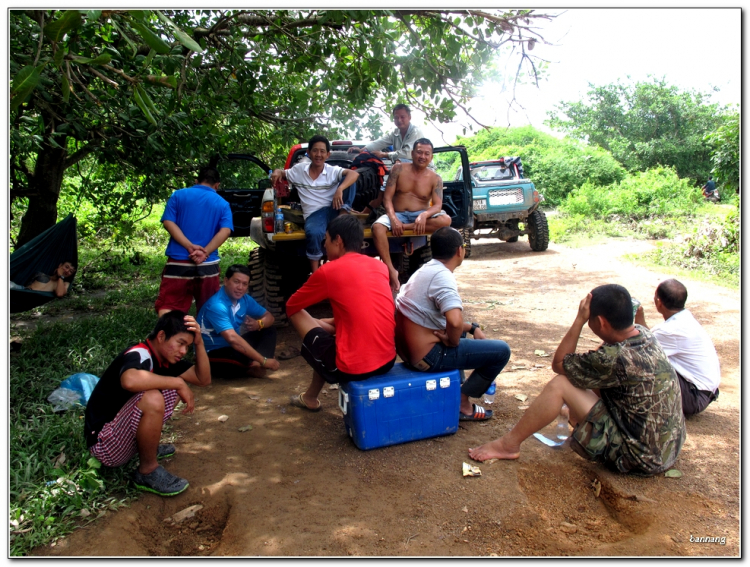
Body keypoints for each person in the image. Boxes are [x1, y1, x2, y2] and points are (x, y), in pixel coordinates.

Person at [468, 284, 686, 477]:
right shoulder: (644, 334)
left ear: (600, 322)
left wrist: (579, 320)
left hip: (640, 457)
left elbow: (560, 364)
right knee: (582, 384)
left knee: (560, 384)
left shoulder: (615, 358)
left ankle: (509, 444)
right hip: (668, 448)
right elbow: (597, 366)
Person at [84, 311, 211, 496]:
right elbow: (129, 380)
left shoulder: (166, 359)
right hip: (104, 445)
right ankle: (148, 470)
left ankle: (147, 448)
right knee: (153, 397)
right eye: (180, 343)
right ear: (161, 336)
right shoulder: (140, 353)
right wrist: (178, 382)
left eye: (188, 346)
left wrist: (199, 343)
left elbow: (203, 378)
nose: (183, 351)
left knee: (169, 389)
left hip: (120, 437)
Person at [395, 226, 511, 421]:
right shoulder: (443, 277)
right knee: (501, 352)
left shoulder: (425, 271)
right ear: (460, 250)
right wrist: (453, 340)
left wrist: (473, 328)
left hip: (409, 354)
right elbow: (454, 322)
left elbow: (444, 322)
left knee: (459, 333)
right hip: (427, 358)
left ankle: (455, 388)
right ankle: (462, 402)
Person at [285, 215, 396, 411]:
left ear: (338, 241)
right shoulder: (380, 266)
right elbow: (361, 312)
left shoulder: (329, 271)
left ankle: (310, 397)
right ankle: (310, 397)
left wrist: (317, 324)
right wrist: (325, 324)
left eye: (326, 239)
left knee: (299, 315)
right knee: (331, 340)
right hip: (387, 360)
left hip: (353, 369)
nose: (324, 245)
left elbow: (292, 306)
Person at [271, 135, 359, 273]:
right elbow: (281, 173)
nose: (319, 155)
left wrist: (340, 189)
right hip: (314, 213)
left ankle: (344, 216)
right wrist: (276, 172)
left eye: (322, 151)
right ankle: (316, 273)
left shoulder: (332, 170)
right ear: (309, 153)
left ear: (328, 154)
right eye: (315, 151)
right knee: (313, 233)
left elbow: (354, 175)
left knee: (349, 178)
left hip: (335, 209)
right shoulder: (299, 170)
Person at [372, 138, 452, 291]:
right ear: (413, 153)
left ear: (431, 157)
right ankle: (390, 269)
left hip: (420, 214)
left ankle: (407, 226)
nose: (422, 156)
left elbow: (437, 205)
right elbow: (387, 198)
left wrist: (423, 216)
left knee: (445, 220)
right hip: (398, 214)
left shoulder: (435, 178)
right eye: (419, 152)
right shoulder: (398, 169)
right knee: (377, 228)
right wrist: (394, 219)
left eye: (427, 154)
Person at [634, 279, 721, 416]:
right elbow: (651, 340)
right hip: (703, 393)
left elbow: (641, 348)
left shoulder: (669, 330)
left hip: (694, 397)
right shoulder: (684, 319)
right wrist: (640, 319)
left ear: (659, 302)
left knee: (638, 362)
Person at [155, 167, 234, 316]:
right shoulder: (223, 204)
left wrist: (189, 246)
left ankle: (169, 337)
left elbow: (168, 222)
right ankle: (204, 339)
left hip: (178, 262)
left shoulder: (178, 195)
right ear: (217, 185)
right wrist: (205, 252)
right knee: (209, 308)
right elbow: (225, 231)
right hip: (208, 264)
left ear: (196, 181)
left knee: (170, 306)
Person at [197, 264, 280, 379]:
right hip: (213, 352)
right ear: (226, 281)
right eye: (236, 282)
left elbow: (269, 317)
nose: (240, 287)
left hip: (233, 346)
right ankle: (258, 363)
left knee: (269, 330)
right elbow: (232, 339)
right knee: (238, 357)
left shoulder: (244, 300)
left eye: (244, 284)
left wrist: (258, 324)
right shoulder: (217, 305)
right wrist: (263, 359)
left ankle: (255, 364)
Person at [357, 104, 426, 162]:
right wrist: (363, 150)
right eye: (396, 117)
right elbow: (380, 142)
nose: (399, 120)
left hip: (422, 167)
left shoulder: (416, 132)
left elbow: (407, 154)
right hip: (408, 165)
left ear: (409, 117)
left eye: (402, 117)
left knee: (398, 164)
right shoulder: (395, 132)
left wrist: (385, 154)